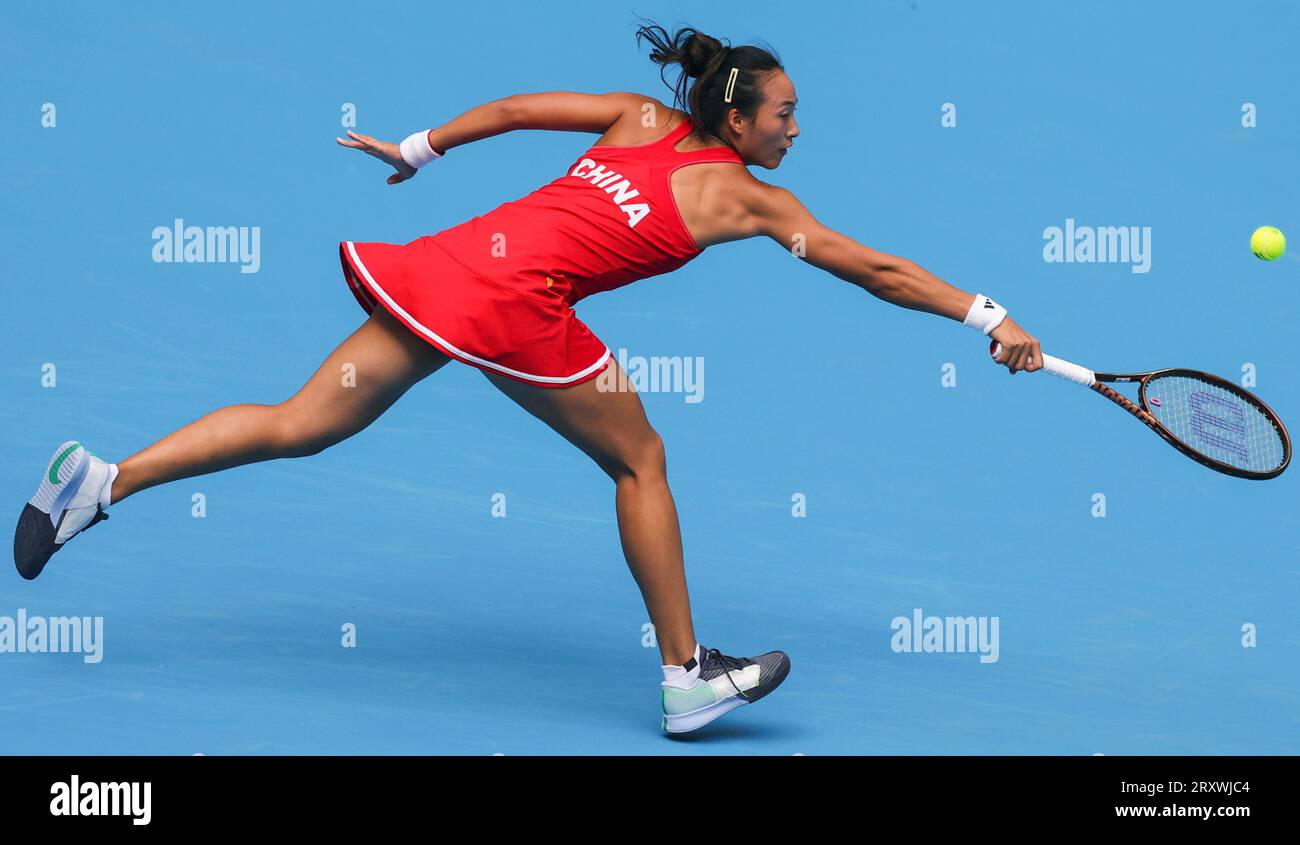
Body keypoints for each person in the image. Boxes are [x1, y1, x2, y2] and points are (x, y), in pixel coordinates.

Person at [13, 23, 1043, 735]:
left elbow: (510, 109)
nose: (795, 128)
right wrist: (985, 314)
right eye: (785, 113)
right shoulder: (745, 196)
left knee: (299, 422)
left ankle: (99, 481)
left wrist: (418, 147)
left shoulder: (636, 117)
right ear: (738, 121)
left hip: (457, 260)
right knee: (641, 458)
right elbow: (872, 267)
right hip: (516, 304)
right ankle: (687, 679)